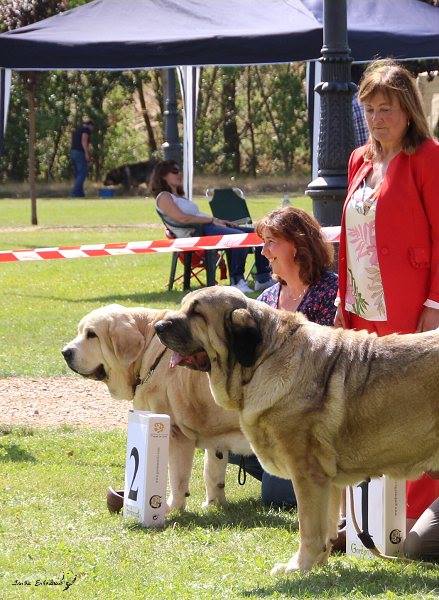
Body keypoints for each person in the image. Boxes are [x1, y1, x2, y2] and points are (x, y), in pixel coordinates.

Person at [334, 59, 439, 557]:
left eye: (387, 109)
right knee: (365, 405)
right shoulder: (358, 159)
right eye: (369, 109)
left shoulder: (429, 157)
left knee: (411, 405)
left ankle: (417, 508)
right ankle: (367, 509)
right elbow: (348, 236)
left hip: (411, 304)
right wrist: (340, 299)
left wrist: (434, 304)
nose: (377, 118)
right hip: (361, 306)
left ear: (408, 111)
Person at [229, 206, 338, 507]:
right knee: (226, 440)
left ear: (298, 244)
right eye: (263, 242)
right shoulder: (265, 299)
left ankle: (308, 478)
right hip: (271, 409)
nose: (263, 252)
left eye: (271, 242)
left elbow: (326, 365)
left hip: (310, 415)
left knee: (275, 498)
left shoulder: (332, 293)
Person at [150, 160, 273, 293]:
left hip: (206, 227)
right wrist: (211, 220)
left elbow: (195, 215)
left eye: (179, 171)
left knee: (260, 234)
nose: (179, 174)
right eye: (174, 171)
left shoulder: (179, 196)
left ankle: (263, 279)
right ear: (162, 175)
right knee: (239, 238)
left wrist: (219, 221)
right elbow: (182, 218)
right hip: (196, 232)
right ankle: (237, 281)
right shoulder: (163, 197)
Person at [70, 119, 94, 198]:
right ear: (90, 125)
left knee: (78, 173)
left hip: (73, 152)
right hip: (80, 152)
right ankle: (75, 192)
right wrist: (87, 154)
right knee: (82, 173)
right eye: (92, 127)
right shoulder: (85, 130)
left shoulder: (77, 130)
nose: (92, 129)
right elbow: (84, 141)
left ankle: (80, 194)